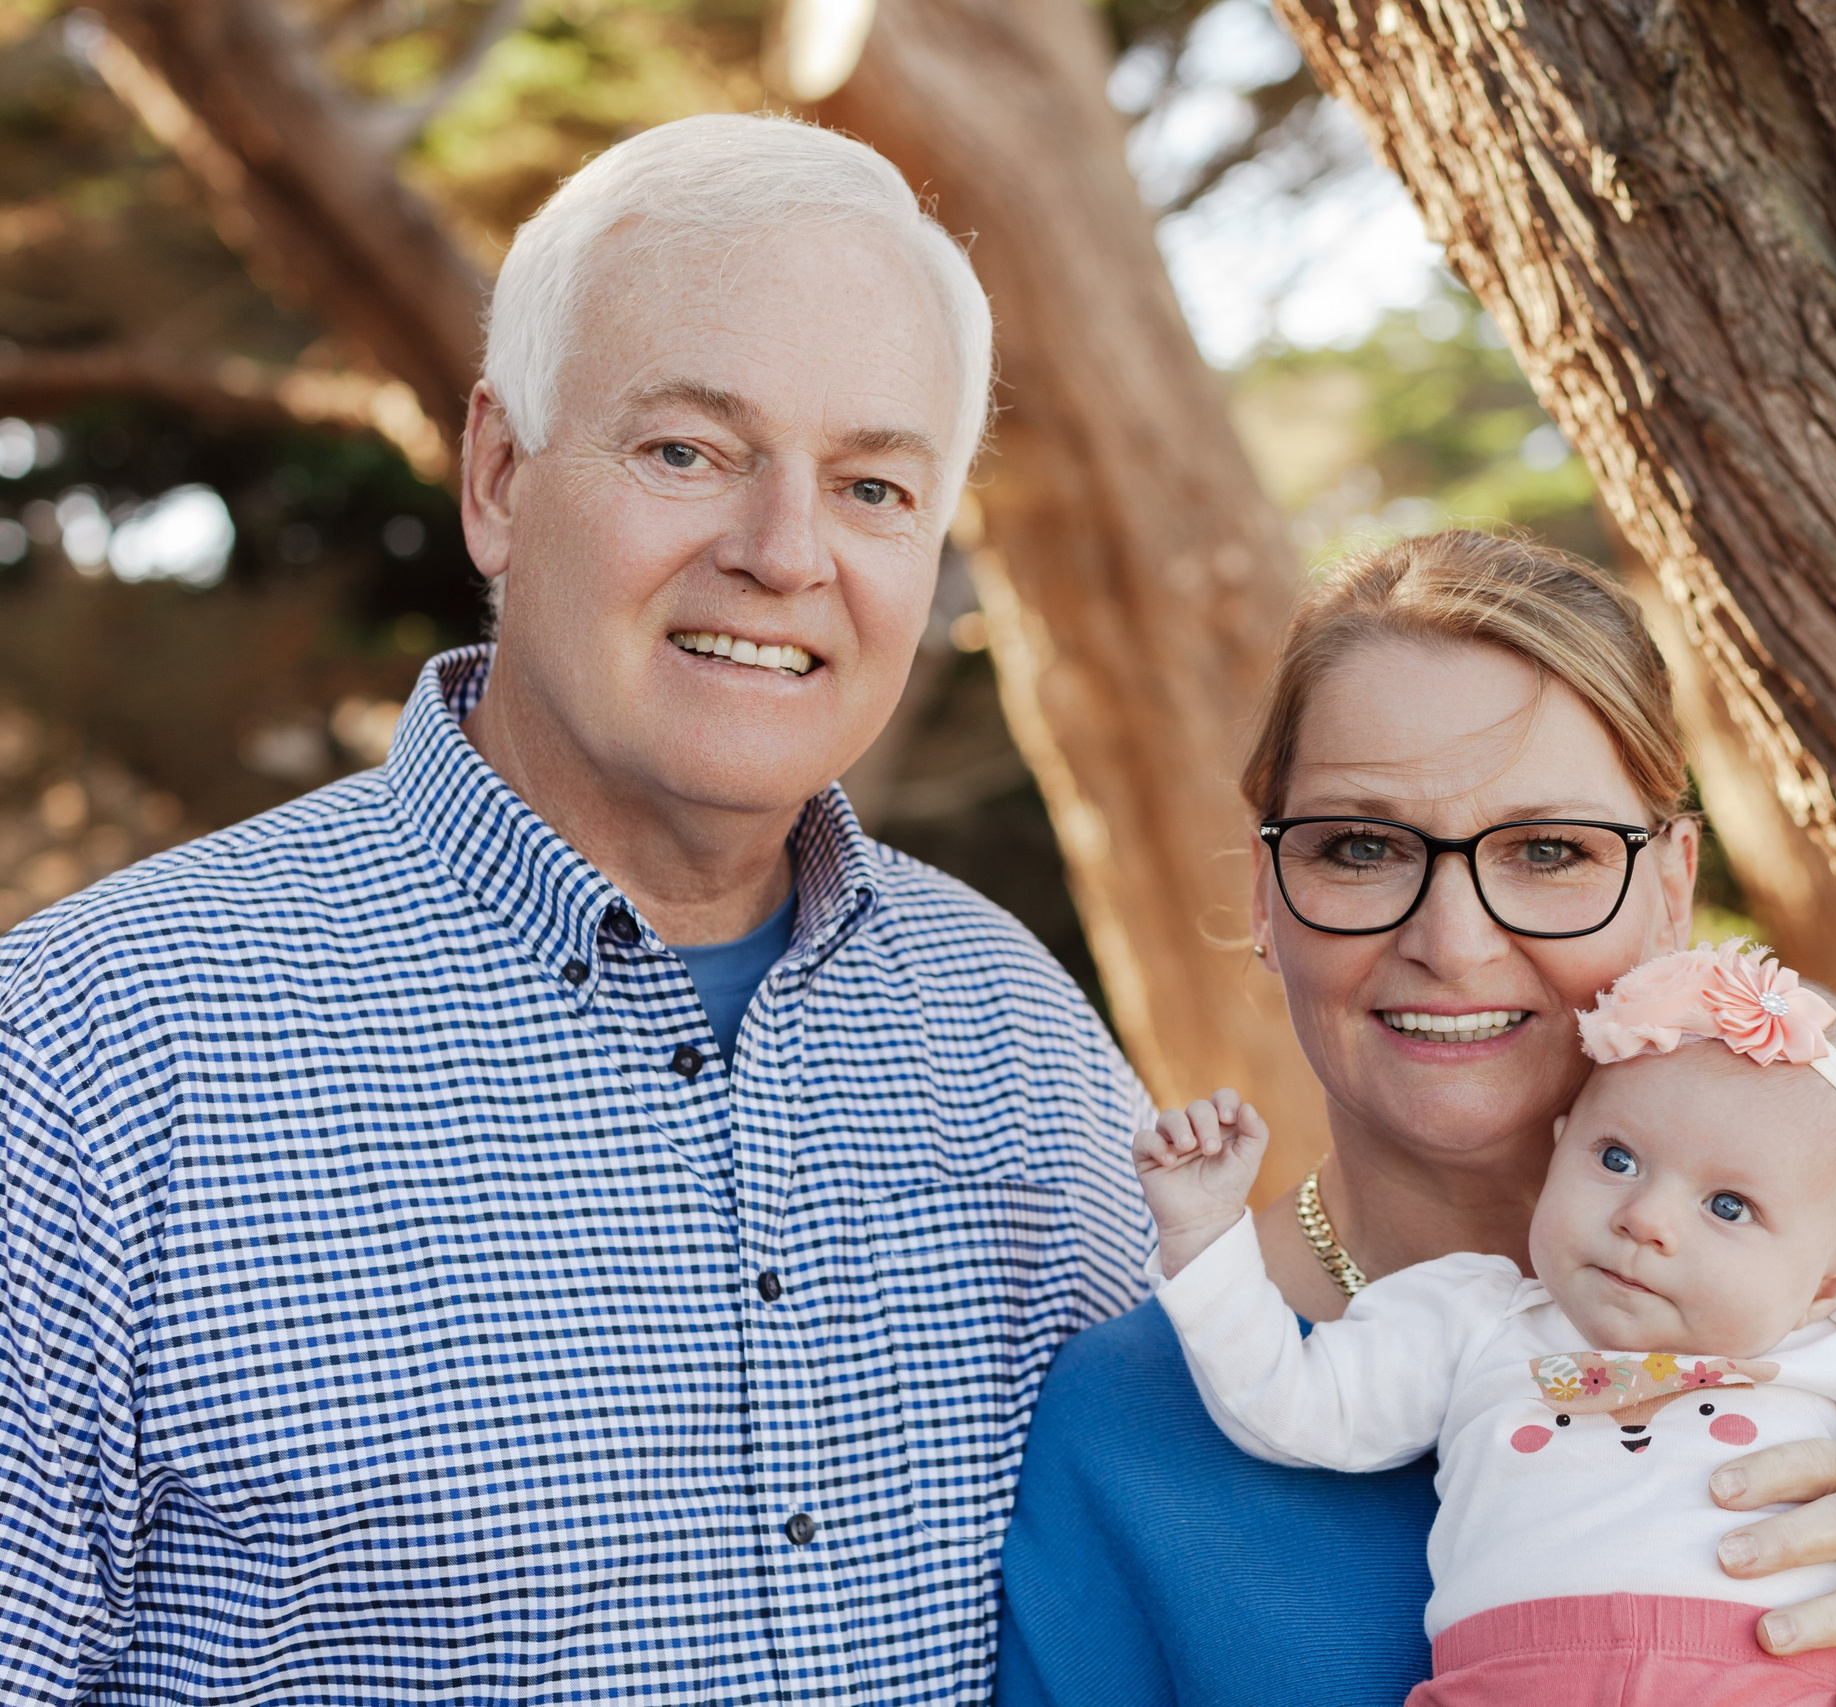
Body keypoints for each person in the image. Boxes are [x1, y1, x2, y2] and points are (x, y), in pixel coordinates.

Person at [0, 113, 1151, 1703]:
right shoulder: (86, 1053)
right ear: (498, 476)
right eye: (688, 451)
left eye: (875, 484)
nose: (783, 554)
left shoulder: (1015, 1034)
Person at [996, 530, 1836, 1707]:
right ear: (1269, 895)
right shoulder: (1131, 1427)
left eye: (1550, 851)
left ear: (1670, 890)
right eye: (1363, 845)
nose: (1455, 941)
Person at [1138, 941, 1836, 1707]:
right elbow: (1294, 1403)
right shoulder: (1474, 1315)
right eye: (1616, 1156)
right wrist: (1206, 1238)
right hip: (1505, 1683)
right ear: (1556, 1153)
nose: (1644, 1217)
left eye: (1729, 1207)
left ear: (1831, 1277)